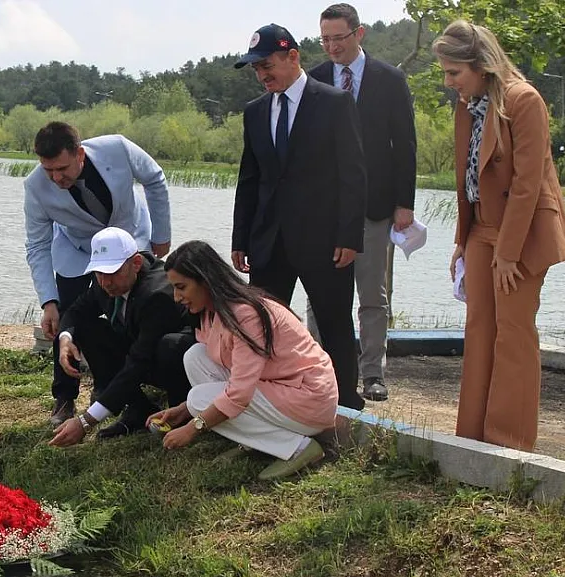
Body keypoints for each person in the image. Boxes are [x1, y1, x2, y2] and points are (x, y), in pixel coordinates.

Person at [433, 20, 565, 451]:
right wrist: (462, 238)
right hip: (481, 230)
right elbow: (467, 180)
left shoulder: (524, 99)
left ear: (482, 66)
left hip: (524, 233)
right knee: (478, 329)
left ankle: (507, 447)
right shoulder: (465, 104)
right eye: (445, 72)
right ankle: (471, 440)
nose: (448, 81)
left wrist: (508, 254)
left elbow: (528, 185)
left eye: (454, 72)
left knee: (513, 332)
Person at [230, 23, 368, 411]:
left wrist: (349, 235)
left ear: (293, 57)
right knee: (264, 324)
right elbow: (250, 178)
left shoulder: (335, 102)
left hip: (325, 240)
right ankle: (274, 399)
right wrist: (241, 238)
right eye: (256, 69)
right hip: (269, 240)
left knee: (335, 322)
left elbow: (353, 175)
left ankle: (345, 405)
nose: (262, 75)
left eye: (267, 65)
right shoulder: (256, 112)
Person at [148, 240, 338, 480]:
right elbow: (236, 377)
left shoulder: (245, 314)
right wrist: (182, 411)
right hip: (278, 387)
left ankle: (296, 447)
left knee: (200, 399)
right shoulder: (211, 311)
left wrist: (192, 427)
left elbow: (239, 394)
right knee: (195, 358)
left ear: (205, 281)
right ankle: (258, 442)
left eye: (181, 287)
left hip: (308, 397)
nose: (176, 297)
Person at [24, 121, 172, 427]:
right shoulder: (35, 187)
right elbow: (37, 245)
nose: (56, 178)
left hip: (131, 238)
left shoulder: (117, 148)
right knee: (69, 316)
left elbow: (155, 179)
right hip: (78, 251)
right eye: (48, 170)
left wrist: (162, 234)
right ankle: (64, 397)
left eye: (62, 168)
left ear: (79, 153)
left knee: (144, 309)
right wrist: (48, 301)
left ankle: (118, 387)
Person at [306, 3, 418, 402]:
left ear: (360, 34)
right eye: (325, 40)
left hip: (375, 206)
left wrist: (404, 203)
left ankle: (373, 373)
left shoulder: (390, 79)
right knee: (321, 295)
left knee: (373, 295)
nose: (332, 47)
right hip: (326, 210)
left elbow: (405, 145)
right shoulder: (314, 79)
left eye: (339, 38)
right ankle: (317, 369)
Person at [48, 227, 193, 447]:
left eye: (112, 272)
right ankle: (138, 407)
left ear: (135, 263)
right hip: (142, 350)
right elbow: (76, 311)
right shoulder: (105, 283)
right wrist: (65, 338)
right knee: (87, 327)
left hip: (175, 362)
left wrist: (85, 421)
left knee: (169, 346)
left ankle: (182, 410)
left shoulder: (157, 295)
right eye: (99, 273)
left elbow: (138, 362)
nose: (105, 282)